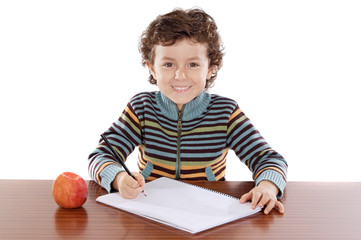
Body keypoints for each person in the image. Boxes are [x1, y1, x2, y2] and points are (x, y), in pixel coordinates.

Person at [88, 8, 288, 215]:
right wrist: (120, 178)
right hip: (152, 212)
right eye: (168, 64)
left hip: (207, 214)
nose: (180, 75)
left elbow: (270, 159)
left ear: (211, 68)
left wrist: (267, 186)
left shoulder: (226, 113)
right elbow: (100, 156)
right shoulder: (141, 108)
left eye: (193, 64)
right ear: (152, 68)